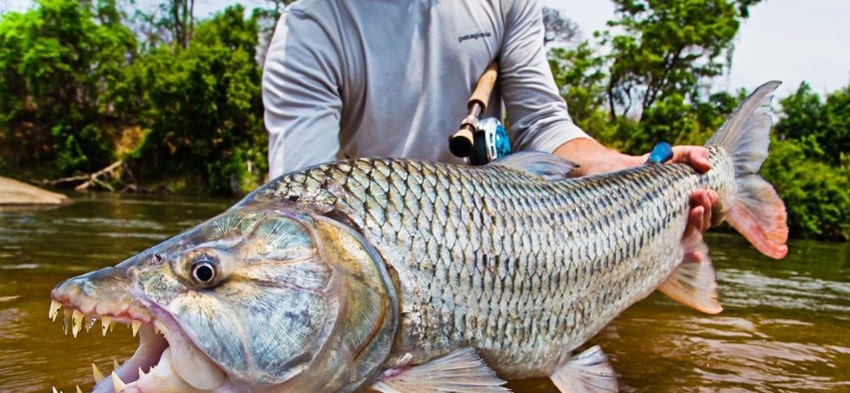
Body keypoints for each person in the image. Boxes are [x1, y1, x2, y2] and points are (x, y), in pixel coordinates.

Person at [261, 0, 715, 234]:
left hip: (495, 238)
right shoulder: (310, 27)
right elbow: (302, 206)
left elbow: (542, 125)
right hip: (374, 249)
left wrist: (631, 168)